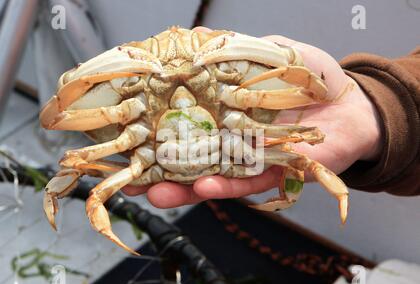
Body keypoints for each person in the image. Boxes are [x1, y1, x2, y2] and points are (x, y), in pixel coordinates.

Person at [122, 26, 420, 208]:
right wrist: (376, 108)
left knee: (296, 159)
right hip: (213, 151)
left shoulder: (246, 104)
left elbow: (307, 86)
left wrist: (363, 109)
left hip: (233, 146)